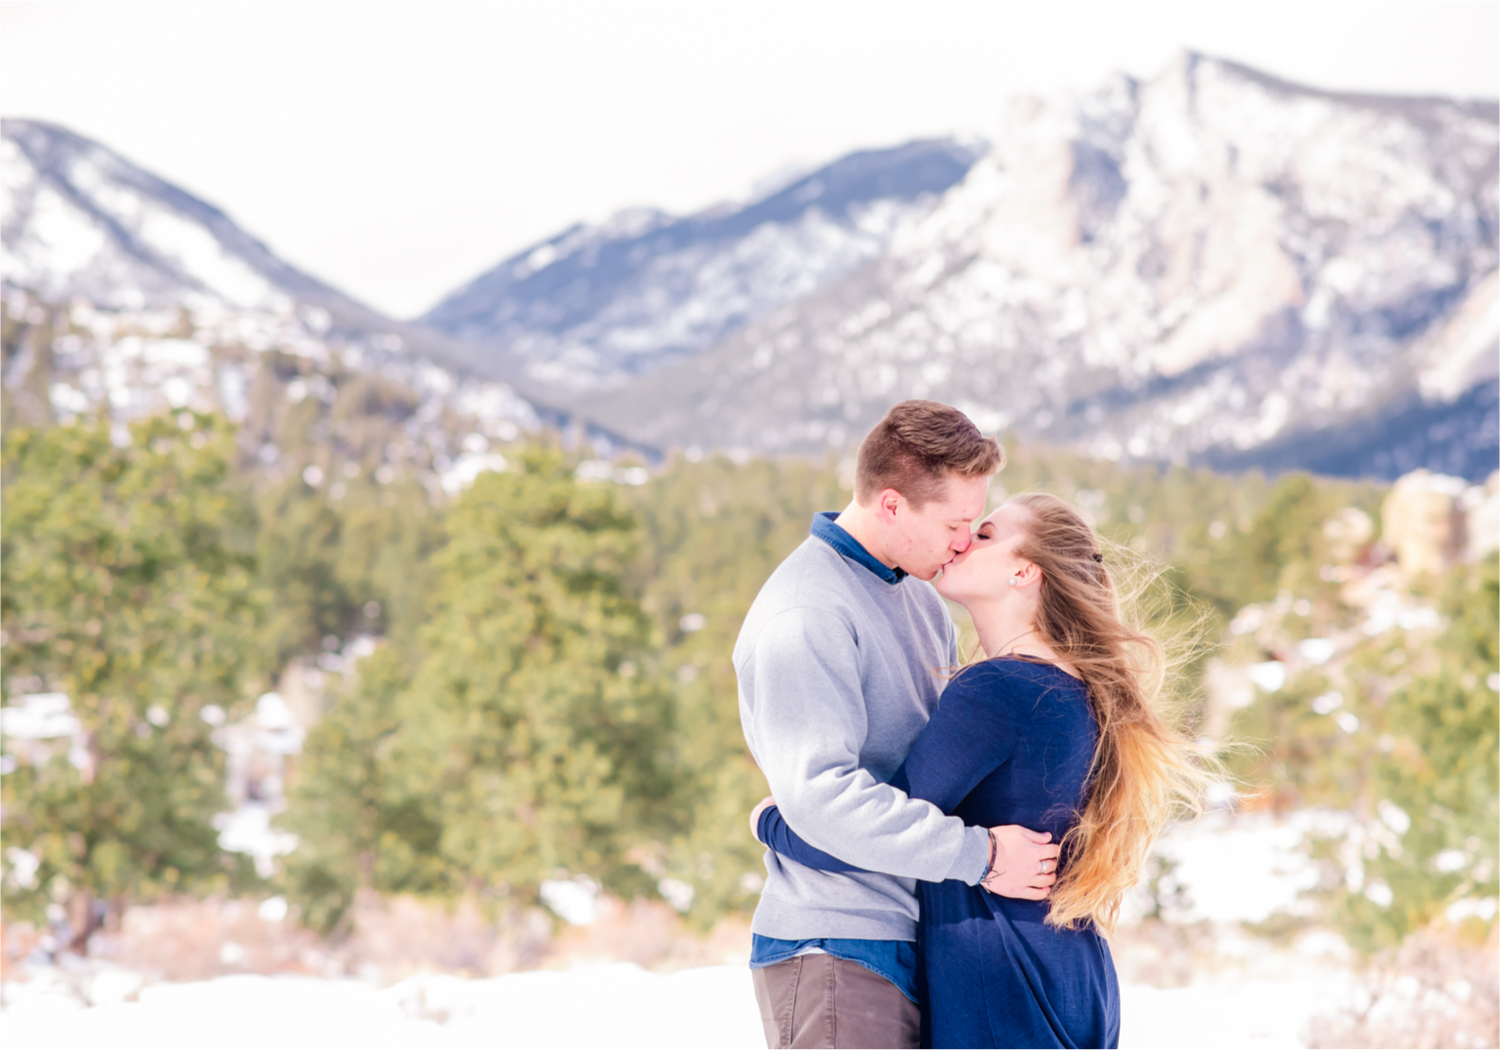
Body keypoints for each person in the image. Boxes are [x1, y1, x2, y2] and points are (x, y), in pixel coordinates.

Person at [753, 492, 1214, 1048]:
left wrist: (769, 821)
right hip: (1068, 970)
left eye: (988, 533)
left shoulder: (998, 690)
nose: (965, 538)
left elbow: (858, 835)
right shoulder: (1069, 687)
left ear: (1023, 571)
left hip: (1005, 978)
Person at [735, 401, 1062, 1050]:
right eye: (955, 524)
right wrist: (984, 855)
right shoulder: (806, 612)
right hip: (836, 947)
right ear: (891, 505)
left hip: (917, 934)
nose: (965, 542)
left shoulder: (917, 595)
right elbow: (822, 799)